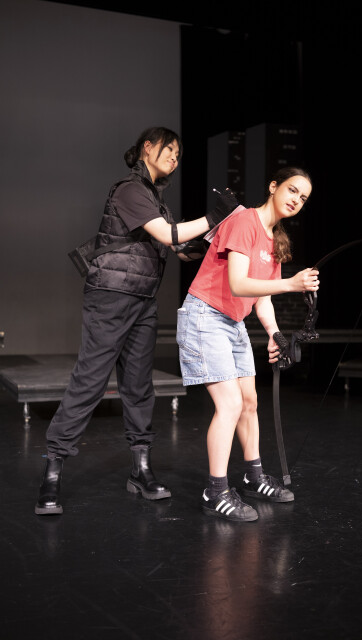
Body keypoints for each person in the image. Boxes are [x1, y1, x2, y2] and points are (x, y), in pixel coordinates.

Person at [35, 126, 239, 515]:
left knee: (140, 386)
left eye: (179, 153)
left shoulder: (156, 201)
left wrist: (212, 237)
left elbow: (179, 246)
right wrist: (213, 216)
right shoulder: (129, 190)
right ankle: (52, 472)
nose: (175, 157)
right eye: (170, 149)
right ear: (147, 147)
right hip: (111, 297)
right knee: (90, 382)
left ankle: (140, 470)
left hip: (144, 301)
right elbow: (168, 234)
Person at [176, 166, 320, 522]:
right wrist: (291, 284)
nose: (296, 200)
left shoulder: (275, 240)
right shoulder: (244, 221)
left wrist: (274, 334)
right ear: (273, 186)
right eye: (292, 190)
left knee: (250, 402)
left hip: (234, 322)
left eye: (303, 198)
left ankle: (253, 477)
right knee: (229, 404)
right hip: (206, 315)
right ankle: (215, 491)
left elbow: (262, 298)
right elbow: (239, 284)